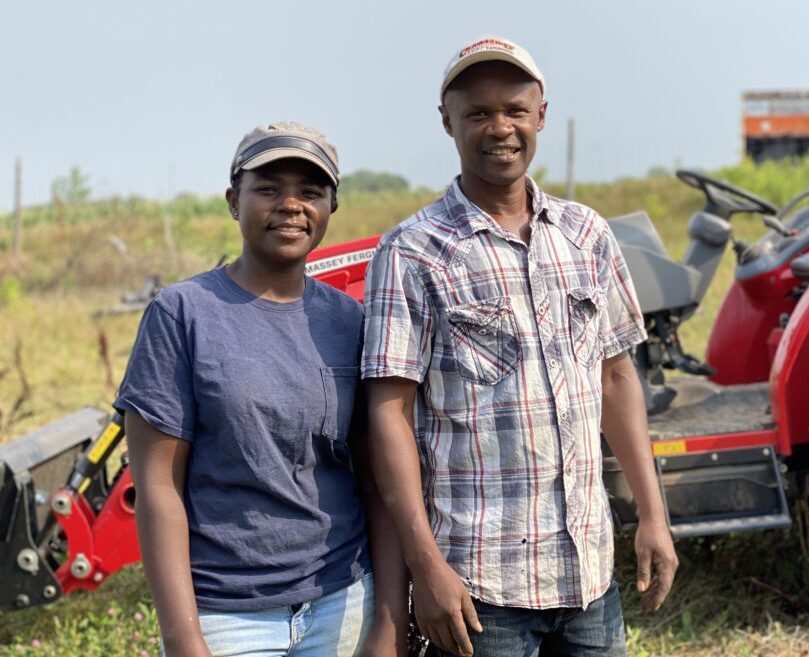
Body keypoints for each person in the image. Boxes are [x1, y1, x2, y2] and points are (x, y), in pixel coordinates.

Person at [362, 39, 678, 657]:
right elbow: (389, 415)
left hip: (589, 577)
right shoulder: (413, 251)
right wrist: (426, 568)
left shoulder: (587, 234)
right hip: (480, 589)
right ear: (447, 120)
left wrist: (652, 513)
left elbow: (616, 378)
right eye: (478, 112)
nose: (498, 127)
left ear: (541, 115)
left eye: (513, 109)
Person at [117, 122, 408, 657]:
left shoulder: (350, 321)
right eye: (269, 188)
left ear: (331, 208)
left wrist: (390, 624)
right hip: (226, 617)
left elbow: (377, 482)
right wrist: (185, 638)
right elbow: (158, 488)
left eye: (311, 191)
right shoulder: (182, 314)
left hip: (342, 602)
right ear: (234, 200)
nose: (291, 205)